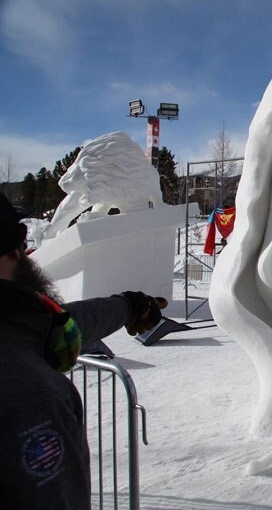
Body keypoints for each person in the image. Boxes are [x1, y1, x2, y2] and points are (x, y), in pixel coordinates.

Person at [0, 192, 166, 509]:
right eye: (20, 241)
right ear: (12, 251)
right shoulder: (29, 394)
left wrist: (129, 306)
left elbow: (54, 326)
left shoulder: (18, 324)